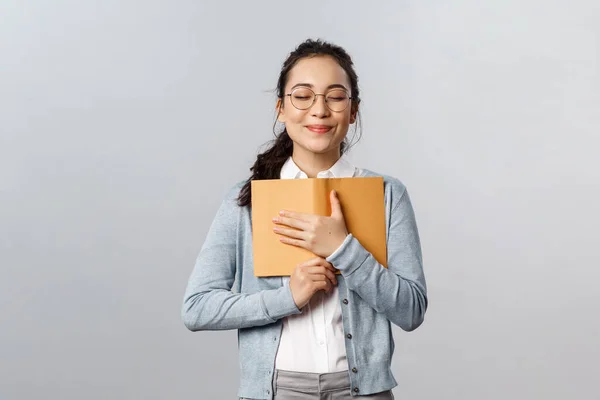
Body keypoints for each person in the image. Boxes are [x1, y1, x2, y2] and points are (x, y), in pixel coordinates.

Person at [182, 38, 428, 400]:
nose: (319, 110)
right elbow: (197, 309)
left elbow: (411, 311)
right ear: (281, 107)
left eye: (335, 96)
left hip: (363, 393)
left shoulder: (387, 194)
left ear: (353, 110)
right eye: (303, 95)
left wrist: (345, 250)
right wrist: (288, 297)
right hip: (276, 391)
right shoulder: (246, 200)